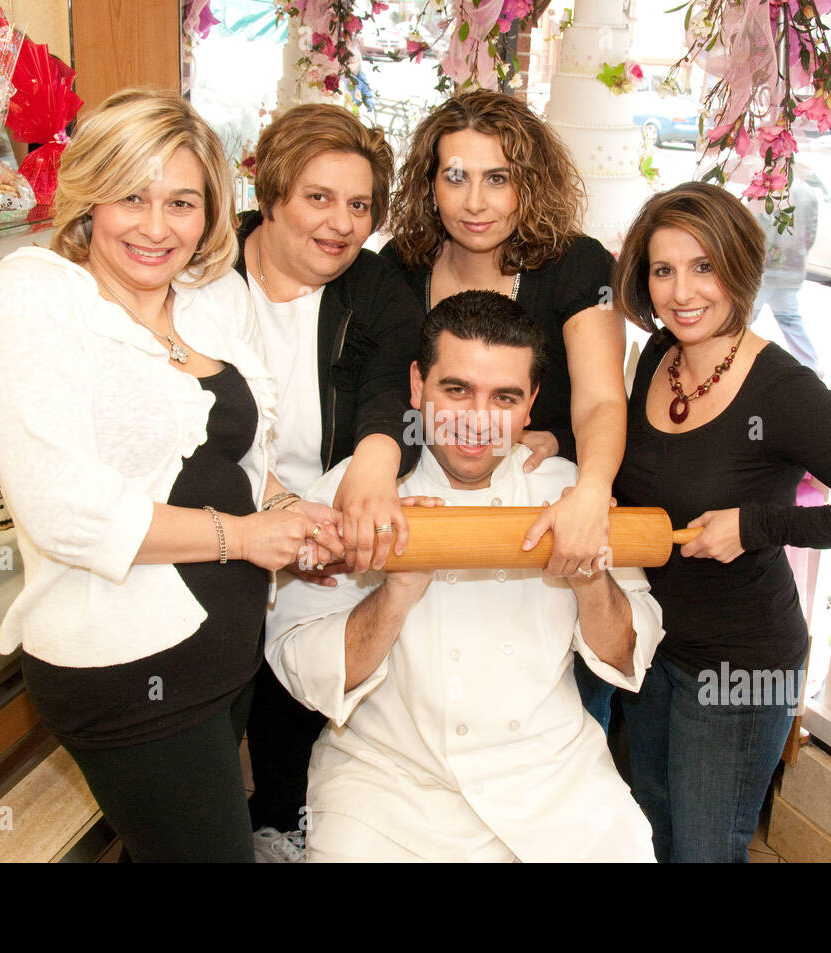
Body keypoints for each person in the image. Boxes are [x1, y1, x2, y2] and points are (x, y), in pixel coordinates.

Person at [0, 89, 341, 862]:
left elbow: (241, 459)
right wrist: (244, 538)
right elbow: (64, 510)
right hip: (125, 669)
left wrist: (292, 511)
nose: (154, 225)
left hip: (229, 650)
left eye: (181, 201)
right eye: (130, 195)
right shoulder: (34, 293)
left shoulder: (214, 296)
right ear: (89, 195)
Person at [266, 290, 662, 862]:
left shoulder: (568, 491)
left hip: (552, 780)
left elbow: (627, 654)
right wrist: (398, 591)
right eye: (457, 390)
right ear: (416, 385)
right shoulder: (355, 492)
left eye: (504, 397)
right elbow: (304, 669)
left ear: (531, 407)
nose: (479, 420)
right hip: (388, 785)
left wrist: (587, 577)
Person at [611, 182, 831, 863]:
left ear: (740, 268)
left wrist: (757, 525)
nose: (682, 291)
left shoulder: (783, 390)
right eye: (663, 269)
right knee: (650, 834)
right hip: (653, 644)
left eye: (703, 266)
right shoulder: (656, 361)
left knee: (703, 851)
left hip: (739, 666)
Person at [381, 89, 629, 728]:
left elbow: (602, 397)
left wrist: (590, 491)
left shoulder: (577, 266)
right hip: (437, 507)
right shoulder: (400, 268)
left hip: (550, 509)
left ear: (529, 182)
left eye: (499, 178)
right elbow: (390, 396)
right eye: (455, 177)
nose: (475, 202)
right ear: (429, 183)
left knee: (560, 698)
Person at [235, 103, 425, 861]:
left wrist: (376, 466)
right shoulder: (208, 273)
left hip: (325, 517)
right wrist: (268, 505)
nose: (342, 224)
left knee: (300, 693)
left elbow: (392, 390)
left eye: (359, 205)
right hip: (215, 511)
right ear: (271, 194)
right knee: (219, 699)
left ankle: (285, 820)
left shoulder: (375, 286)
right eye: (319, 198)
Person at [752, 174, 821, 372]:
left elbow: (758, 227)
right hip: (790, 267)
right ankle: (811, 363)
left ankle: (811, 363)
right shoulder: (808, 192)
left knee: (745, 317)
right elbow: (811, 231)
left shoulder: (768, 188)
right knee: (789, 318)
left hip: (766, 270)